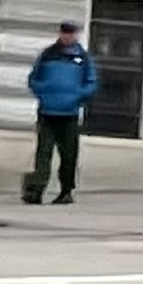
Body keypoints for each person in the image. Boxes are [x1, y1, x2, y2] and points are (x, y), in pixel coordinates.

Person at [23, 18, 100, 205]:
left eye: (71, 33)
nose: (67, 36)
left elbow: (91, 82)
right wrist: (43, 93)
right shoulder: (48, 55)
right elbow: (33, 79)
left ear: (76, 35)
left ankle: (66, 191)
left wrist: (77, 96)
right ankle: (36, 190)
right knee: (43, 154)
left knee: (68, 155)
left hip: (69, 114)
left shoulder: (83, 58)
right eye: (64, 32)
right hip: (47, 112)